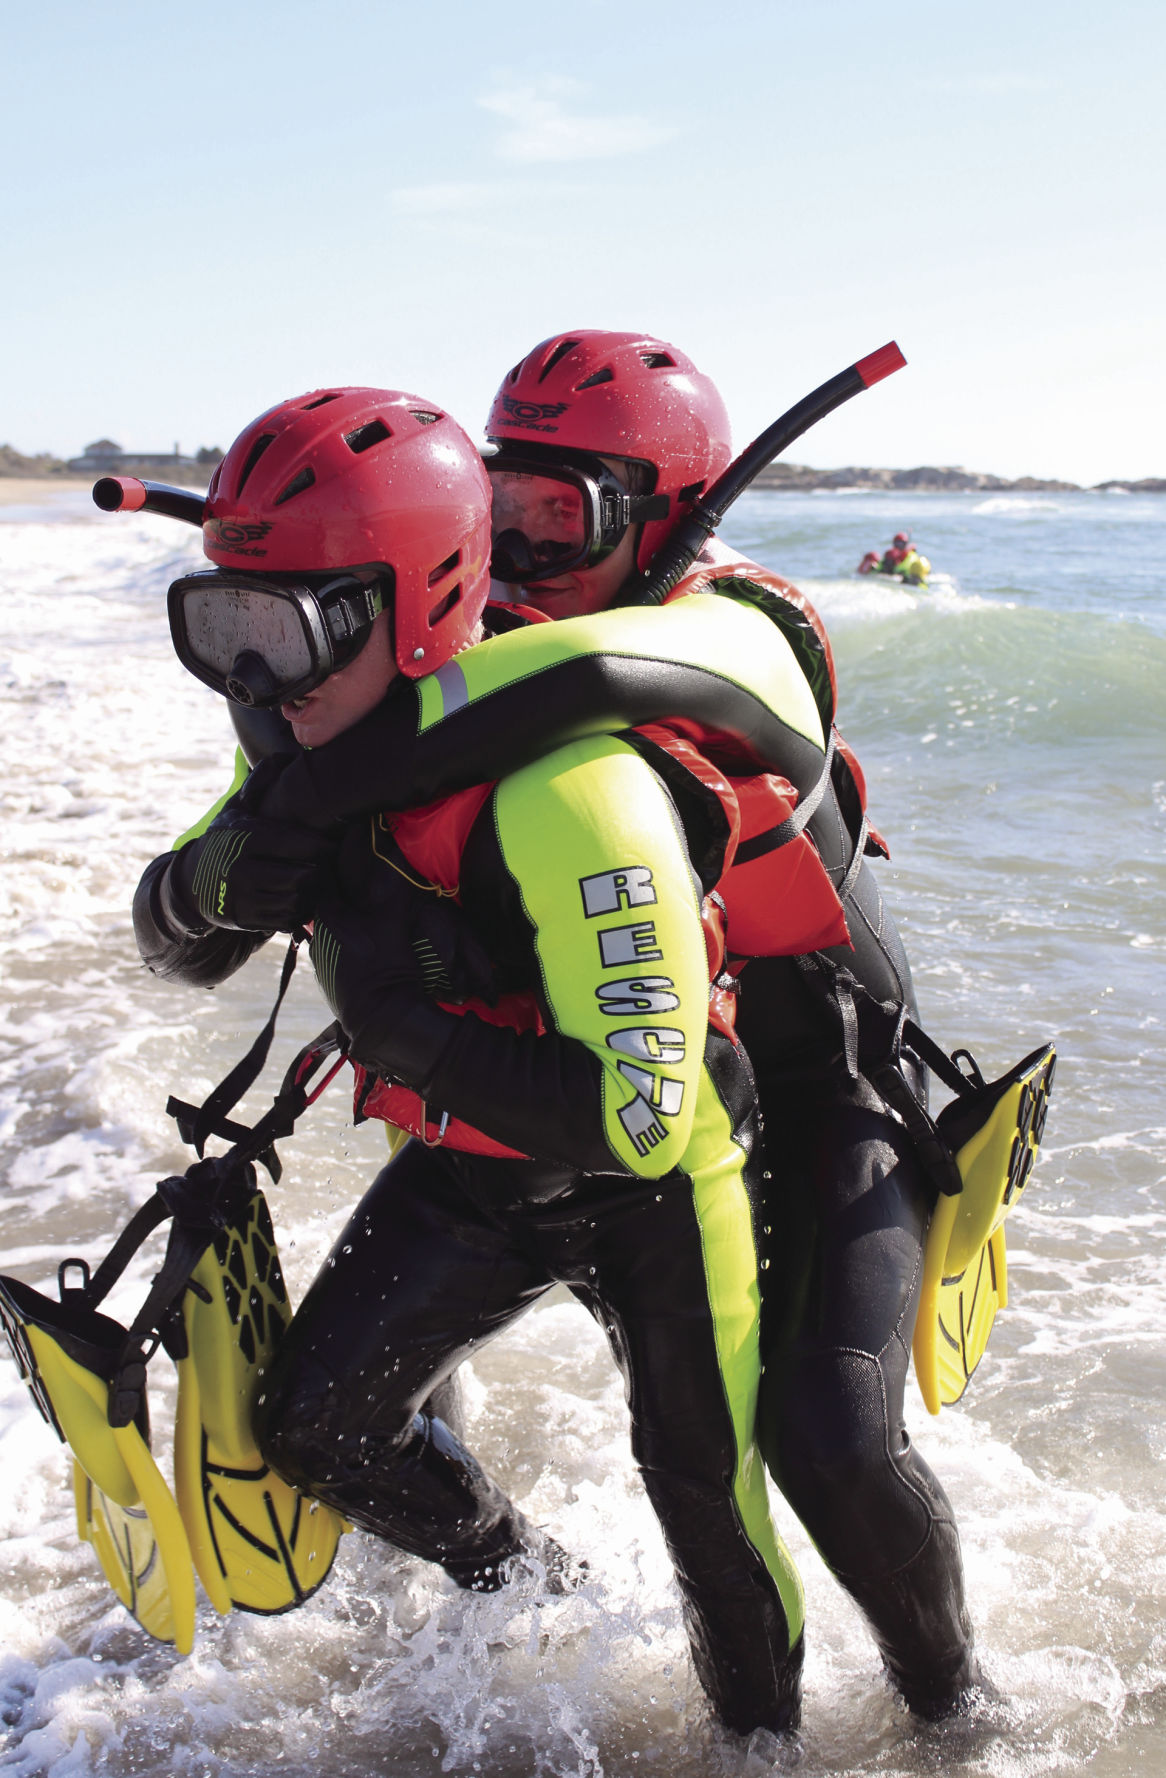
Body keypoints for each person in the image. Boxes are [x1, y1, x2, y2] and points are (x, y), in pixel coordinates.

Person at [222, 333, 983, 1719]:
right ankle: (512, 1586)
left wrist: (307, 792)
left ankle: (958, 1708)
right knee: (347, 1398)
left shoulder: (747, 630)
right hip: (570, 1095)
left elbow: (563, 680)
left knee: (820, 1439)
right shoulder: (492, 651)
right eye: (494, 505)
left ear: (674, 510)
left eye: (555, 514)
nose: (512, 548)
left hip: (818, 1103)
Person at [133, 386, 805, 1737]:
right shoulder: (307, 743)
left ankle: (767, 1750)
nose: (260, 681)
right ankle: (522, 1582)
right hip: (472, 1174)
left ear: (421, 597)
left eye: (295, 630)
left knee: (704, 1505)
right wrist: (216, 876)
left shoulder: (573, 791)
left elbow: (636, 1115)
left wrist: (397, 1029)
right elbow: (169, 942)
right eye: (227, 631)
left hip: (661, 1189)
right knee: (318, 1429)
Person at [858, 532, 930, 586]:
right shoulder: (891, 554)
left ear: (905, 544)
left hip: (904, 577)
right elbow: (882, 565)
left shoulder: (911, 556)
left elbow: (905, 569)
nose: (898, 546)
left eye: (901, 543)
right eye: (897, 543)